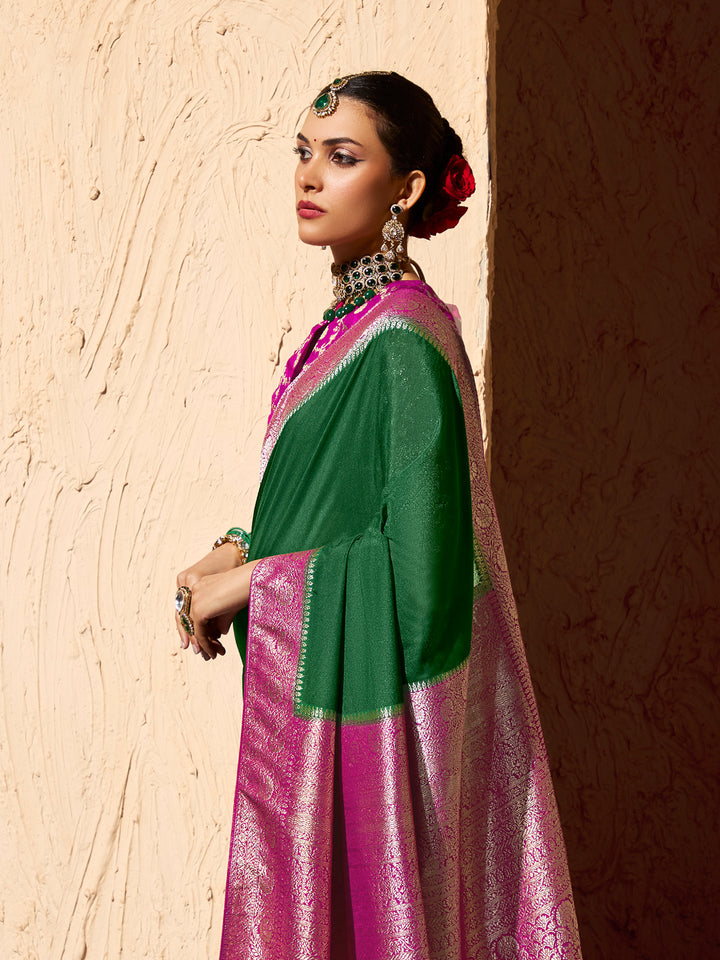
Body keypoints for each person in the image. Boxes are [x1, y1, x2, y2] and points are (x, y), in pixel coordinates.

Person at [175, 72, 582, 960]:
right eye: (304, 153)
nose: (310, 176)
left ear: (404, 190)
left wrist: (259, 585)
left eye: (343, 157)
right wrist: (236, 549)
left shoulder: (403, 337)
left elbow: (422, 581)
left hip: (373, 747)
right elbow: (339, 511)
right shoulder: (344, 331)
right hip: (310, 714)